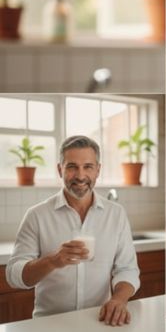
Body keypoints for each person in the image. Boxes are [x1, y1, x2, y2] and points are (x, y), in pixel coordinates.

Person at [5, 135, 140, 327]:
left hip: (99, 321)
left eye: (88, 166)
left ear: (98, 170)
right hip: (49, 325)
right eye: (72, 167)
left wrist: (119, 299)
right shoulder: (37, 215)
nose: (80, 175)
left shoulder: (116, 214)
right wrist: (53, 260)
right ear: (60, 169)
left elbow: (127, 269)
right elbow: (14, 276)